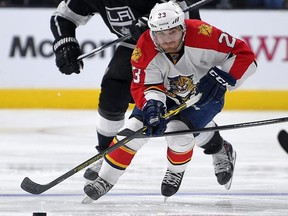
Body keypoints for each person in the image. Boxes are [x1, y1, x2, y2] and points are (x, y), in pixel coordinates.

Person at [83, 1, 257, 202]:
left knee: (177, 132)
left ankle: (175, 171)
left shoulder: (203, 34)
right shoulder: (144, 47)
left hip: (203, 95)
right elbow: (144, 86)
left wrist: (219, 78)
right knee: (133, 130)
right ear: (152, 32)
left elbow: (245, 56)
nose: (167, 40)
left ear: (183, 27)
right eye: (160, 34)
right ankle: (105, 179)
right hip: (165, 94)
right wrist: (153, 107)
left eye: (172, 32)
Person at [50, 0, 200, 181]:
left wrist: (155, 21)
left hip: (179, 45)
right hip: (139, 44)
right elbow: (63, 16)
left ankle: (218, 148)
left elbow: (187, 13)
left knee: (185, 107)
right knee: (112, 90)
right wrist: (65, 44)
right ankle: (107, 153)